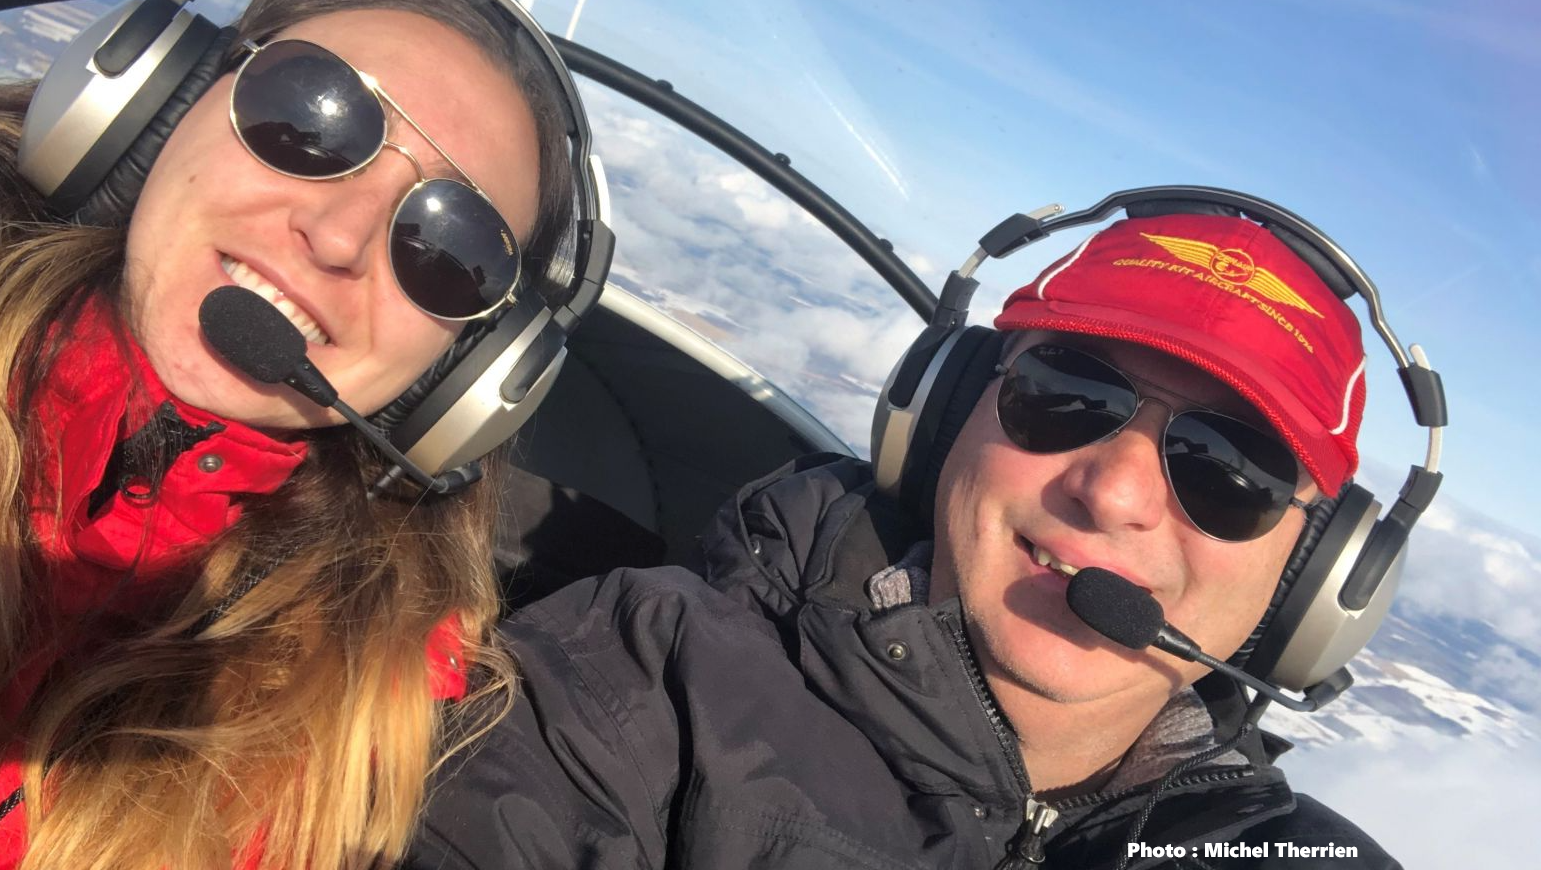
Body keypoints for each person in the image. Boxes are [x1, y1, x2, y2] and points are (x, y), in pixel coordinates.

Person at [403, 196, 1429, 868]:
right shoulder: (640, 695)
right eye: (1065, 393)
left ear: (1313, 581)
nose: (1114, 491)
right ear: (944, 417)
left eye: (1230, 471)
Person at [0, 0, 603, 870]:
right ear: (158, 106)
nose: (337, 238)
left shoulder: (373, 718)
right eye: (310, 117)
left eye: (451, 248)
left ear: (463, 371)